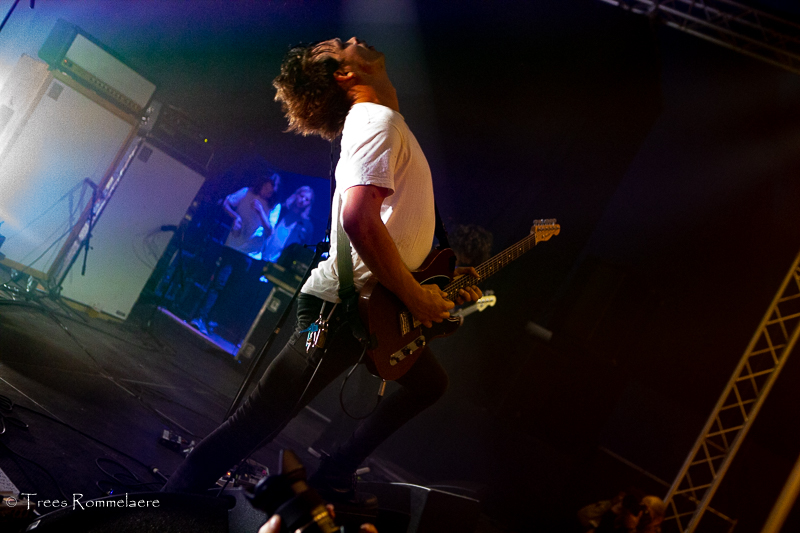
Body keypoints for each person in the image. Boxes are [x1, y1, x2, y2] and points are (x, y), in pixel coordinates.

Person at [164, 37, 482, 511]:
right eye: (341, 46)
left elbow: (388, 227)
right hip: (339, 310)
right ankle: (163, 508)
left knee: (430, 385)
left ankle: (336, 469)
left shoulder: (382, 122)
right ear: (344, 75)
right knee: (258, 421)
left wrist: (431, 283)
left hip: (372, 306)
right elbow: (358, 218)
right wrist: (417, 297)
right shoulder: (375, 122)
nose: (352, 39)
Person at [192, 172, 280, 336]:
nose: (267, 191)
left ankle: (213, 320)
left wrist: (261, 211)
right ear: (261, 184)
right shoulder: (246, 192)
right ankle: (200, 317)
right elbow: (226, 202)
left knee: (233, 290)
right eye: (266, 187)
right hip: (233, 246)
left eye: (271, 190)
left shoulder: (274, 206)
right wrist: (235, 217)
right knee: (219, 282)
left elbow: (270, 230)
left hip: (251, 254)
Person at [261, 185, 315, 263]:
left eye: (307, 199)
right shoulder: (280, 210)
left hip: (280, 262)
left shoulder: (306, 226)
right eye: (301, 196)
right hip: (261, 253)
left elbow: (304, 248)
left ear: (309, 203)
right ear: (296, 195)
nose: (302, 200)